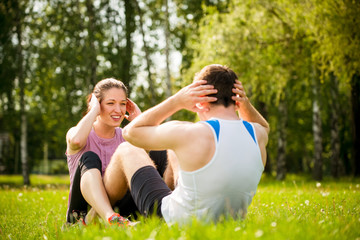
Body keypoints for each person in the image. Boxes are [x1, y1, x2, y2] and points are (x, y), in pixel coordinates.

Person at [105, 64, 270, 225]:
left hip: (174, 221)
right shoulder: (257, 134)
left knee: (127, 149)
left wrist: (176, 101)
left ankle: (98, 214)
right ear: (237, 98)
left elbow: (130, 133)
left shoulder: (191, 133)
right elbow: (264, 125)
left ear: (200, 100)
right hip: (228, 222)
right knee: (175, 151)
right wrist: (245, 103)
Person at [65, 78, 170, 226]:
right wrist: (94, 110)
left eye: (122, 104)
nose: (118, 110)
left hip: (121, 208)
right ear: (96, 104)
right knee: (89, 157)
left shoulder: (126, 136)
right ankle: (107, 218)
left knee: (158, 152)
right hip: (83, 213)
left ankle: (174, 208)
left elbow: (153, 153)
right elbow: (76, 141)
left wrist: (139, 120)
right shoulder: (78, 132)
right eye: (110, 103)